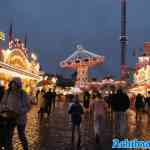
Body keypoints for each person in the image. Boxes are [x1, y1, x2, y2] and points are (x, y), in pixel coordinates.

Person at [0, 77, 31, 150]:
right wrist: (5, 108)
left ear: (18, 85)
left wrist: (19, 111)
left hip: (21, 119)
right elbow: (2, 103)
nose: (13, 86)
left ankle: (25, 148)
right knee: (9, 135)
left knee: (21, 135)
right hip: (10, 117)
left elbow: (28, 106)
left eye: (15, 84)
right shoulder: (8, 92)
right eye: (12, 84)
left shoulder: (23, 93)